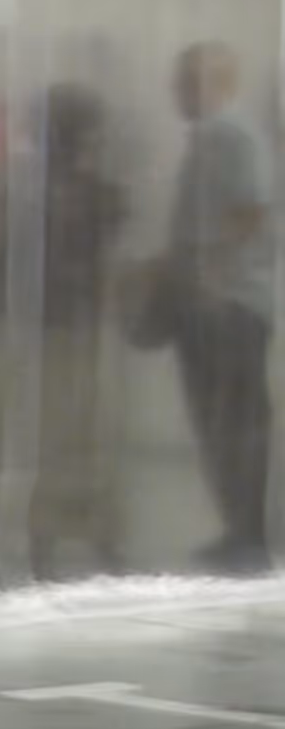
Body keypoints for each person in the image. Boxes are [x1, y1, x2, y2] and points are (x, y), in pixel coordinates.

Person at [0, 85, 128, 578]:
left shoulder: (13, 185)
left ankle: (41, 539)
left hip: (22, 327)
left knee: (27, 433)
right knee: (81, 433)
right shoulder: (101, 193)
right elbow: (107, 267)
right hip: (77, 328)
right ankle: (100, 537)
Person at [162, 43, 275, 573]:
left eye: (187, 82)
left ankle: (250, 534)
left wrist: (210, 266)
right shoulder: (208, 138)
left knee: (234, 422)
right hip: (209, 301)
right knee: (217, 422)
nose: (177, 92)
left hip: (230, 303)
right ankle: (239, 530)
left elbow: (250, 210)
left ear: (219, 83)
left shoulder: (231, 135)